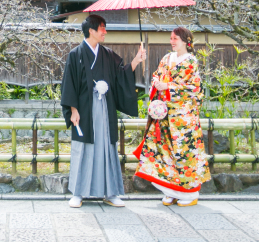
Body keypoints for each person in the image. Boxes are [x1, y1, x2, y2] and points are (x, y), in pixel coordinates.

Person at [60, 14, 145, 208]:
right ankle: (78, 193)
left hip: (105, 108)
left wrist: (136, 61)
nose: (105, 32)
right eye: (102, 28)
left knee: (107, 147)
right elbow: (69, 84)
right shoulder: (76, 54)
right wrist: (72, 109)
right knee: (83, 148)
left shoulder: (107, 54)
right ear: (91, 31)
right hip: (83, 109)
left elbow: (121, 76)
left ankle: (110, 192)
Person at [134, 26, 210, 207]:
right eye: (171, 38)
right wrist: (157, 84)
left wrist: (167, 87)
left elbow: (194, 89)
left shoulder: (191, 61)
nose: (172, 41)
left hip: (183, 118)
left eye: (176, 38)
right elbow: (156, 77)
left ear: (186, 41)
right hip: (165, 116)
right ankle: (169, 190)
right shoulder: (166, 58)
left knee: (184, 154)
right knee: (163, 151)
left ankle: (189, 194)